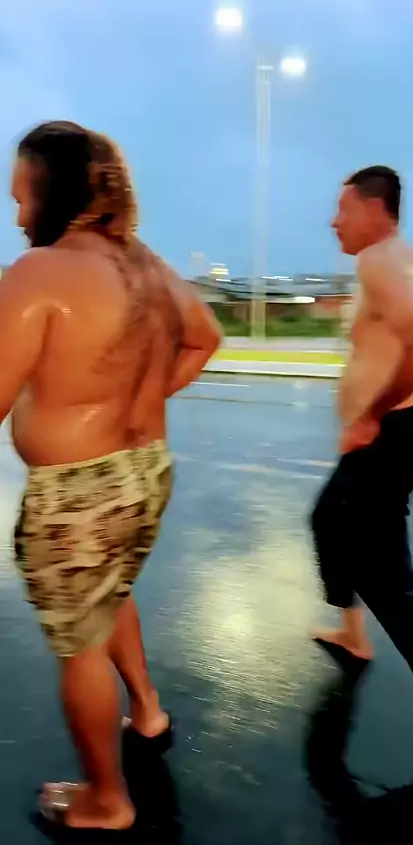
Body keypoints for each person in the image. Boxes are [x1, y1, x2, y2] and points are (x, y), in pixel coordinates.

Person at [5, 121, 221, 830]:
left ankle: (107, 800)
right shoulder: (143, 264)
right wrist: (136, 400)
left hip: (77, 497)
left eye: (22, 195)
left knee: (80, 649)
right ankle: (148, 711)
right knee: (112, 593)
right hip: (146, 472)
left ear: (54, 190)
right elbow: (205, 337)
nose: (17, 214)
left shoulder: (38, 272)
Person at [311, 165, 413, 770]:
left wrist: (370, 415)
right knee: (327, 521)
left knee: (388, 585)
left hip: (385, 439)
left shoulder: (379, 263)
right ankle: (353, 633)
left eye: (343, 209)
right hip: (404, 434)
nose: (334, 221)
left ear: (374, 209)